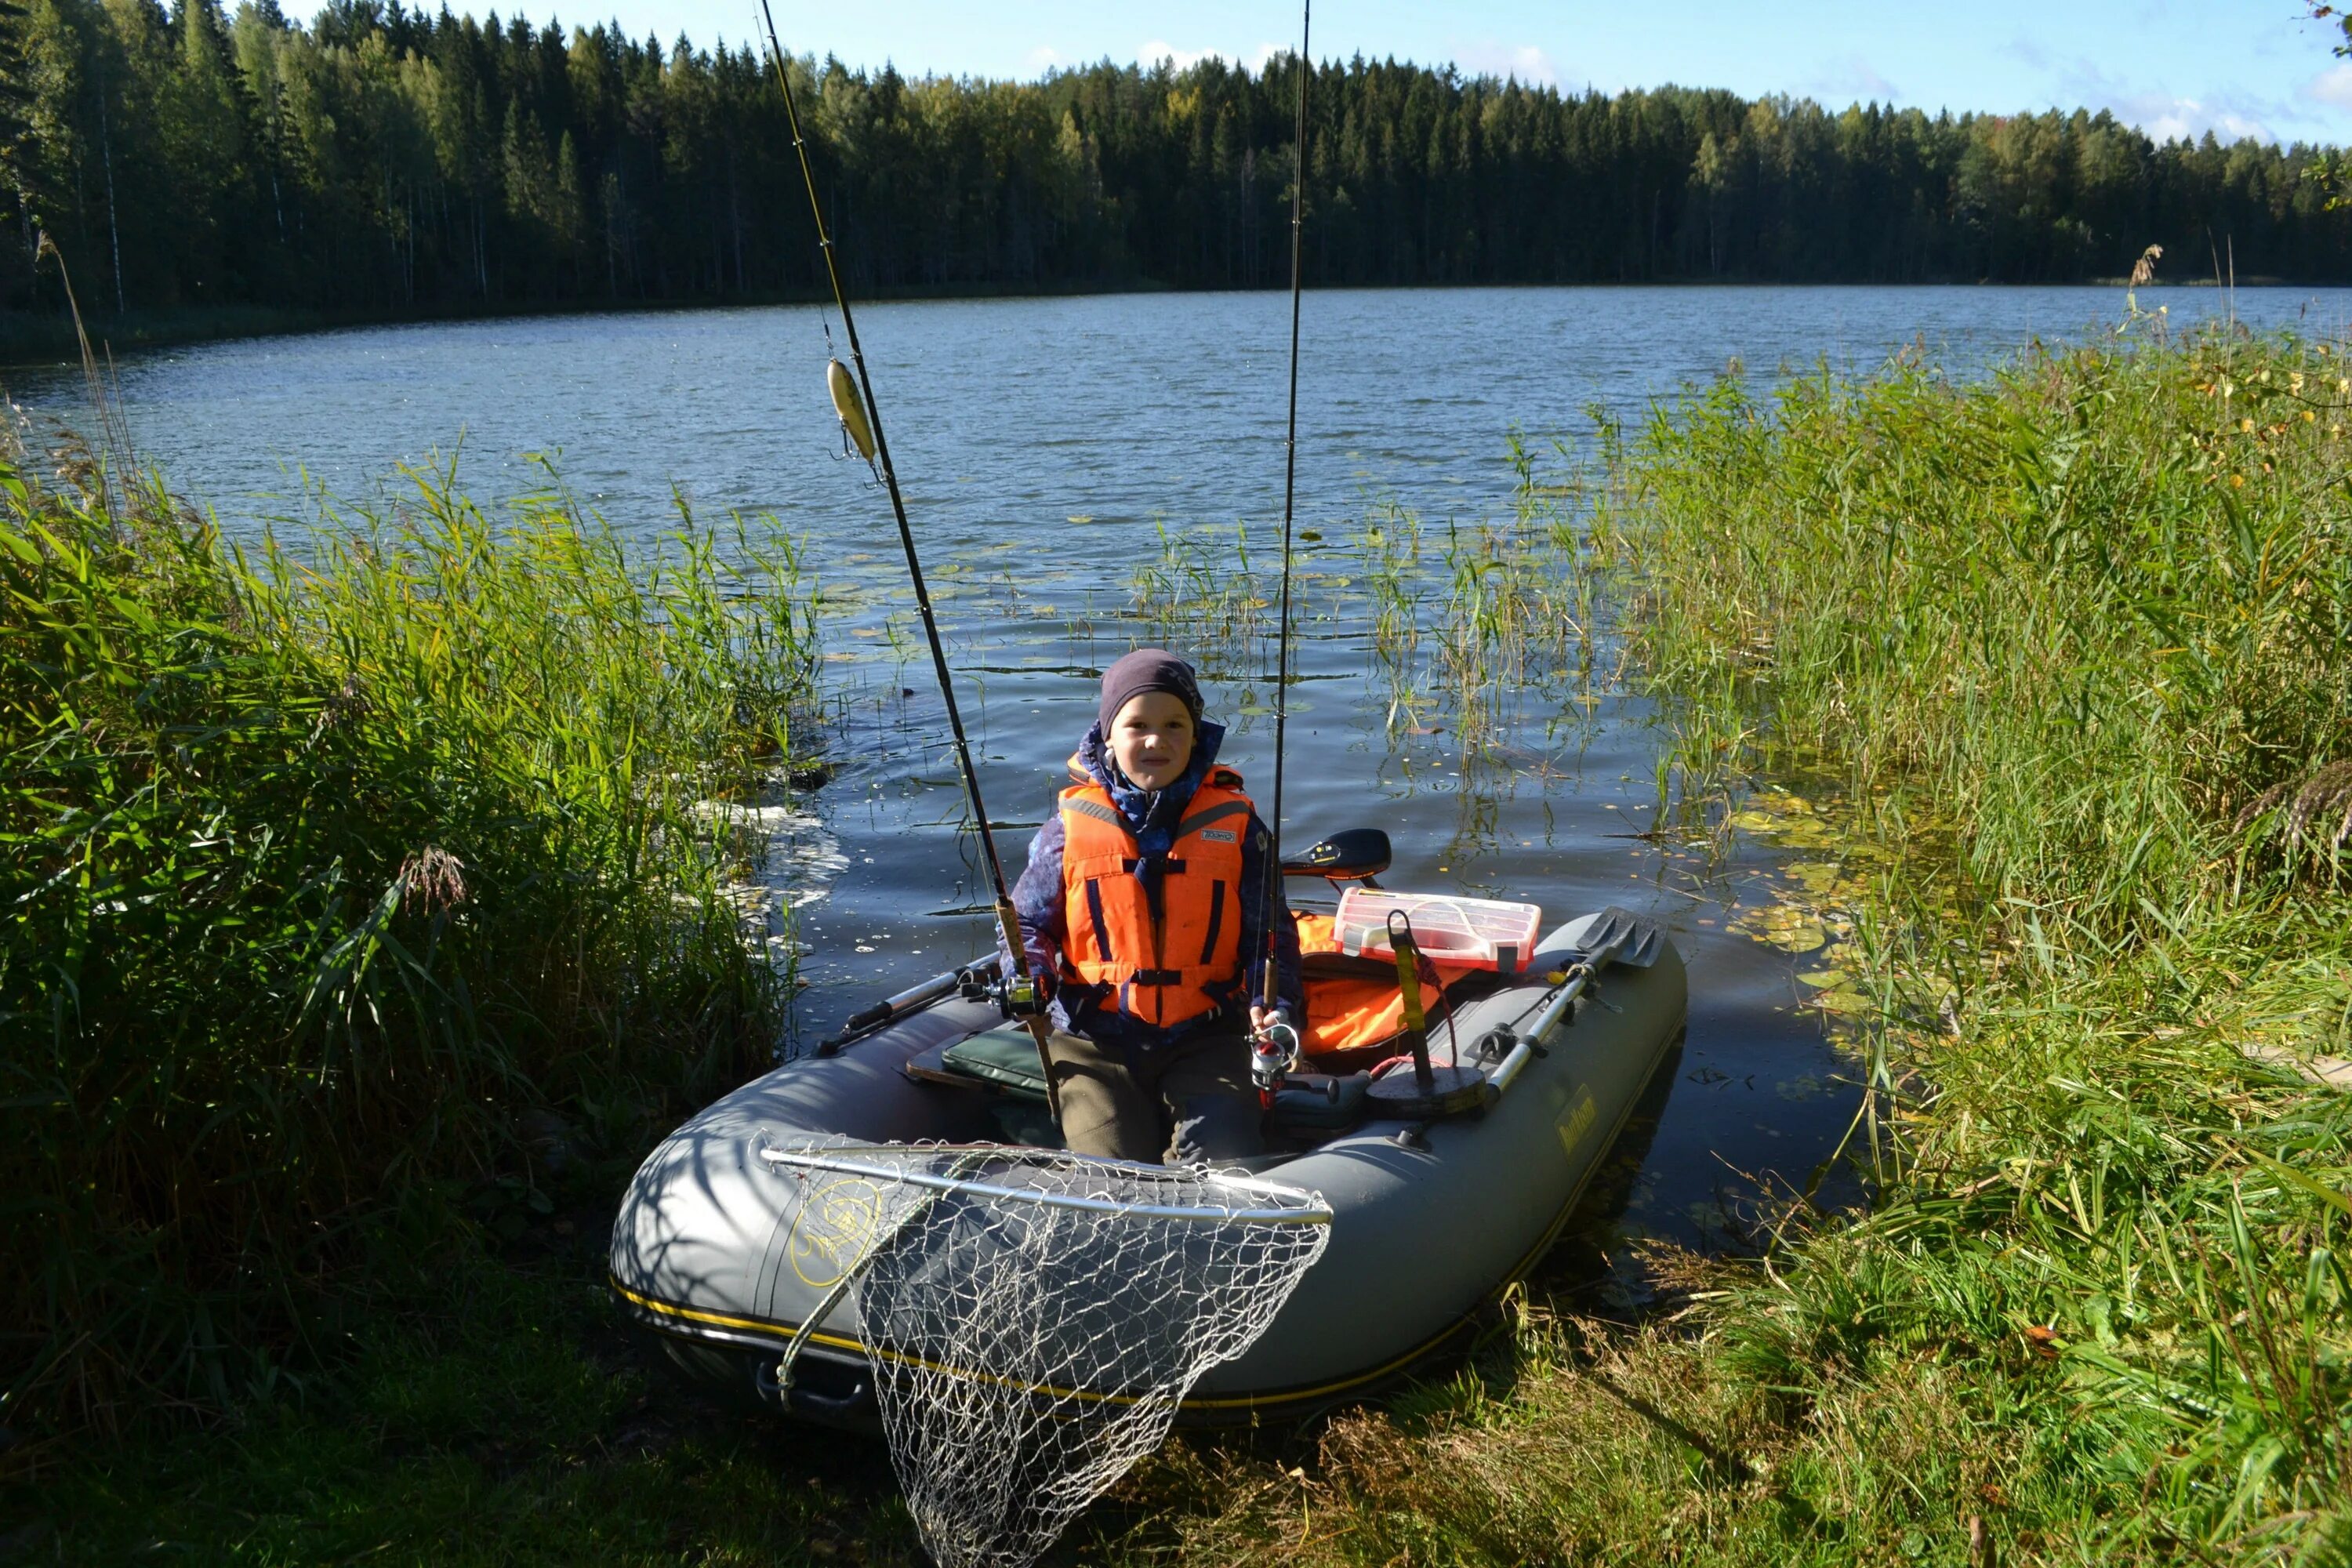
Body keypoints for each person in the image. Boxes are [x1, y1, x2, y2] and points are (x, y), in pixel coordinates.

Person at [1004, 648, 1301, 1164]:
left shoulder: (1239, 828)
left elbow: (1270, 936)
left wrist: (1274, 1007)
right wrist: (1028, 976)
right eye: (1137, 724)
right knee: (1111, 1168)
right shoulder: (1066, 831)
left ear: (1197, 732)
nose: (1156, 740)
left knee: (1224, 1158)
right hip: (1092, 1044)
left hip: (1208, 1037)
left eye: (1174, 725)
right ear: (1107, 735)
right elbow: (1029, 923)